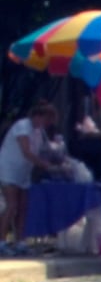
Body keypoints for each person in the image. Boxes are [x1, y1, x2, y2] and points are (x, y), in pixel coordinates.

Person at [0, 102, 65, 255]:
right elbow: (26, 152)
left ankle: (20, 240)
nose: (48, 124)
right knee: (11, 205)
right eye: (47, 120)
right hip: (9, 169)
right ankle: (1, 240)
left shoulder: (39, 131)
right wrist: (44, 165)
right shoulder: (23, 126)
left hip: (24, 172)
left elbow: (43, 150)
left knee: (23, 207)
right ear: (39, 116)